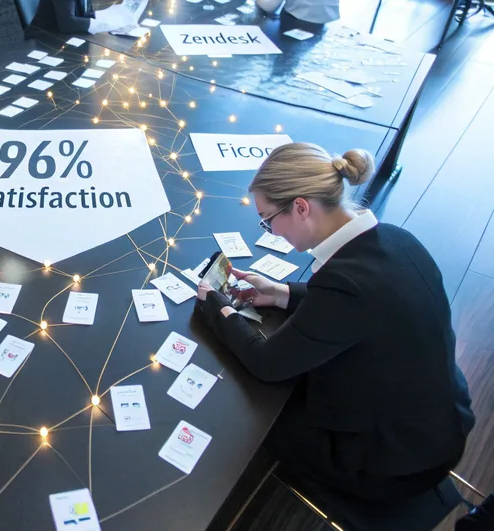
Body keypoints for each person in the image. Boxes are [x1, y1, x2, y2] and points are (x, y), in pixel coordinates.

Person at [195, 142, 475, 503]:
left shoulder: (344, 284)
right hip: (442, 425)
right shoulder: (396, 238)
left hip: (392, 464)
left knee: (258, 415)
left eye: (268, 219)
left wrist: (218, 308)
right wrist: (281, 293)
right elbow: (362, 307)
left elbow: (267, 364)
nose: (270, 231)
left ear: (301, 208)